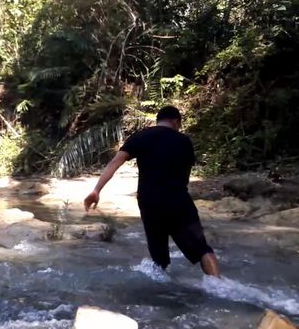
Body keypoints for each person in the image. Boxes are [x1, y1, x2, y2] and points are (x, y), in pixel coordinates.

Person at [84, 106, 221, 277]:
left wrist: (97, 190)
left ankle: (161, 296)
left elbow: (115, 162)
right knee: (202, 249)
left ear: (158, 120)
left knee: (159, 259)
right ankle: (219, 286)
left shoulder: (141, 137)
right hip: (178, 200)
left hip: (150, 203)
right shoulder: (184, 141)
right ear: (176, 121)